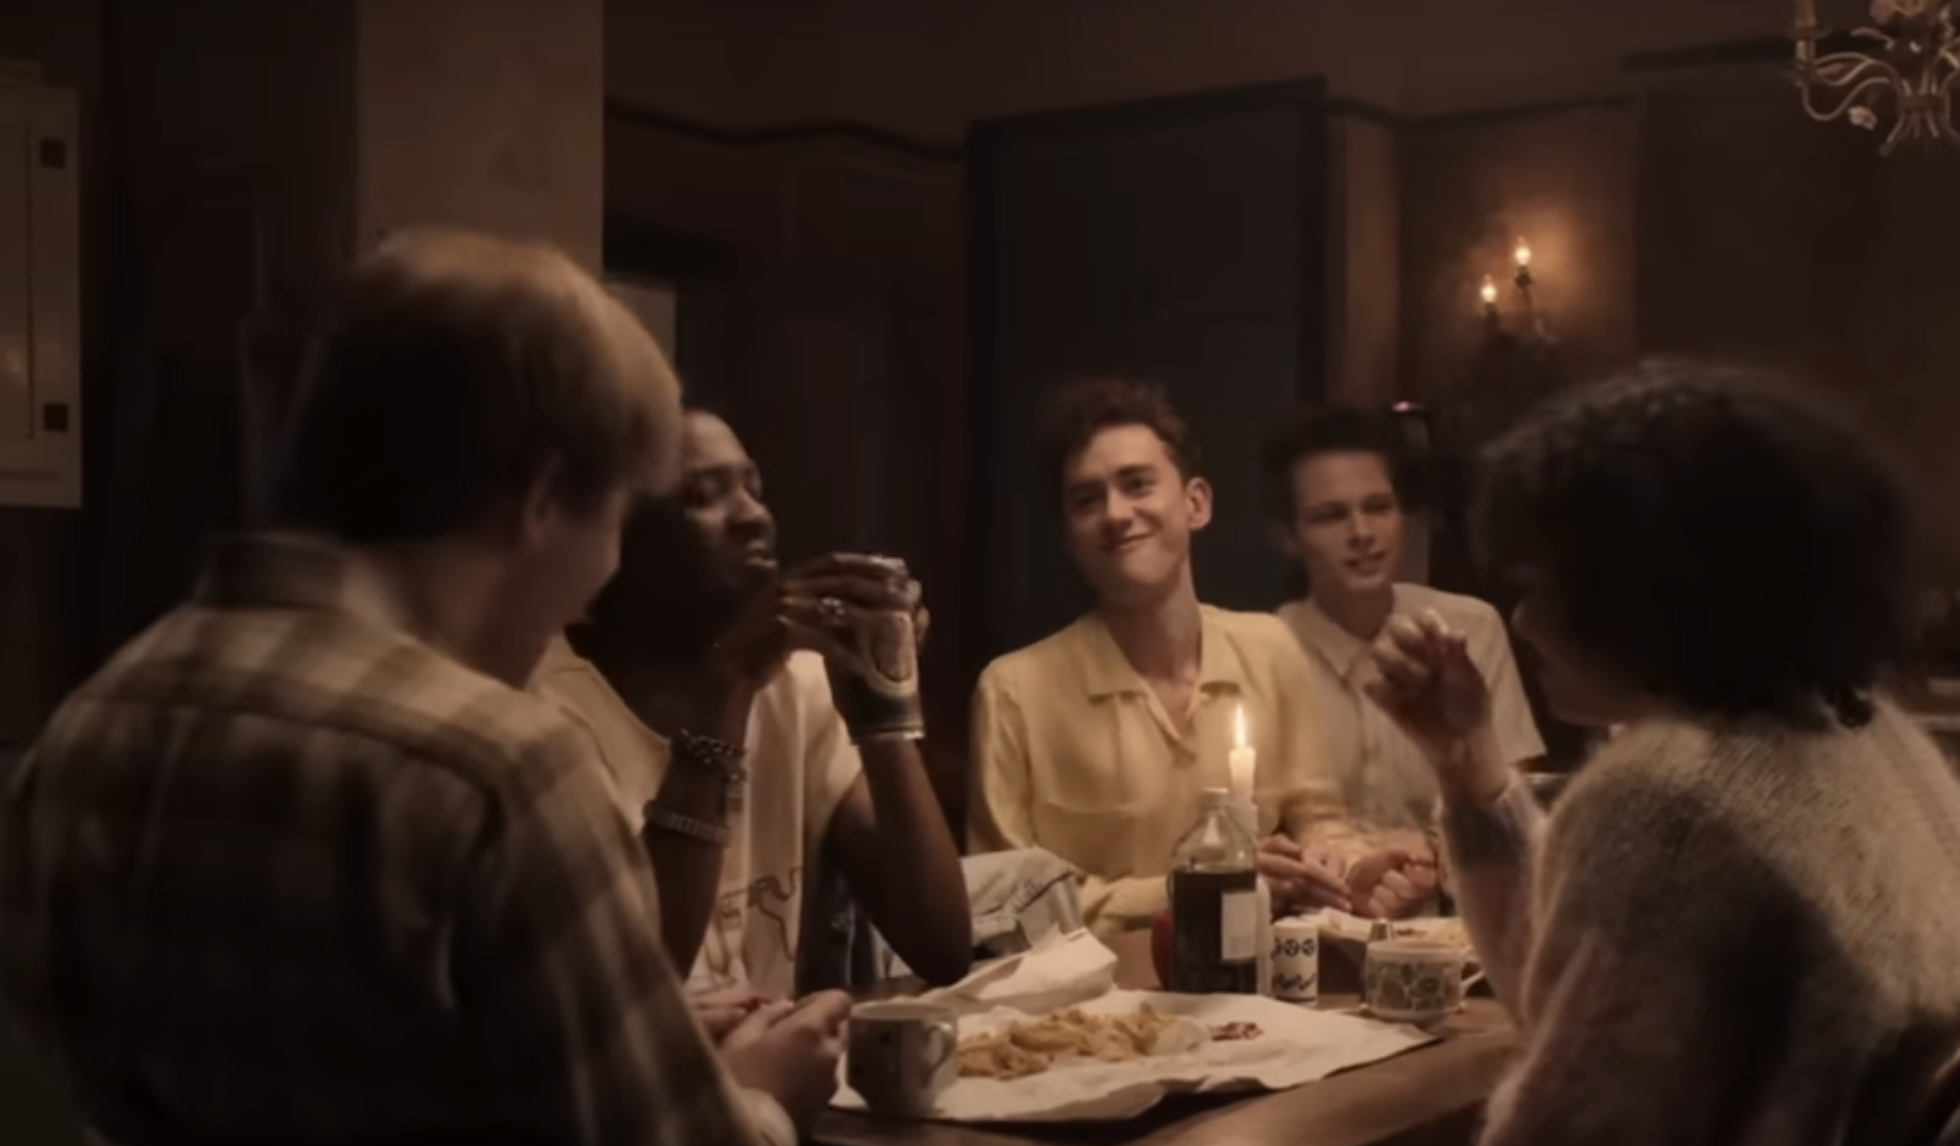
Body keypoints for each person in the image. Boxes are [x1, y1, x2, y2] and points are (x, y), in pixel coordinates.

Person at [0, 230, 841, 1146]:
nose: (598, 576)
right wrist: (754, 1101)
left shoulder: (89, 724)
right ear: (540, 498)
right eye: (609, 522)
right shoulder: (494, 770)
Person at [1365, 360, 1960, 1146]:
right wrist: (1469, 760)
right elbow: (1563, 990)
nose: (1518, 620)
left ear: (1652, 588)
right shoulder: (1865, 736)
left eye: (1548, 579)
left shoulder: (1676, 801)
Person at [533, 407, 973, 996]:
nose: (753, 515)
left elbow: (941, 947)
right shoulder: (546, 713)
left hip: (774, 1081)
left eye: (753, 487)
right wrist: (728, 690)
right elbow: (633, 992)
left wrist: (880, 704)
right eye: (702, 495)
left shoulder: (797, 685)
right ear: (615, 536)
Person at [969, 377, 1395, 931]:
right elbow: (999, 905)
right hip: (1088, 1009)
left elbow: (1320, 819)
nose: (1116, 513)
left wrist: (1348, 869)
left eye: (1137, 484)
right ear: (1071, 537)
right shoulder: (1014, 692)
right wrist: (1184, 891)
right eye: (1086, 499)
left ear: (1196, 504)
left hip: (1256, 999)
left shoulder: (1268, 649)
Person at [1265, 406, 1545, 914]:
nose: (1362, 532)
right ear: (1289, 536)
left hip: (1458, 923)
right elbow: (1263, 826)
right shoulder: (1263, 648)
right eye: (1331, 515)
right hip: (1313, 930)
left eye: (1378, 507)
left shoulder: (1467, 628)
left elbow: (1511, 798)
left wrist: (1433, 859)